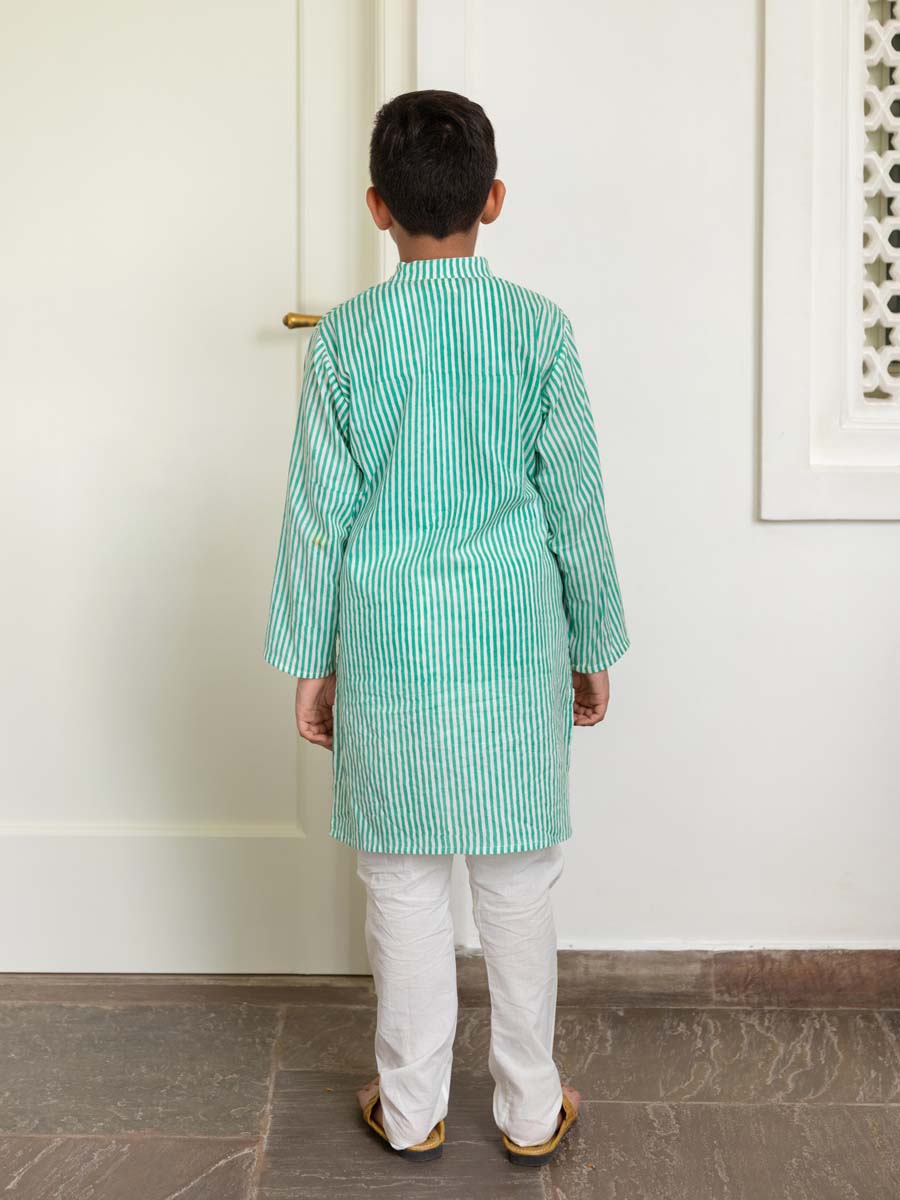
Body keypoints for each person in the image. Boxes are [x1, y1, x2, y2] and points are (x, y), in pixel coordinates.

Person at [263, 89, 630, 1166]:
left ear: (377, 206)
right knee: (518, 881)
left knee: (403, 882)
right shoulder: (539, 331)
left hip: (390, 647)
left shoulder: (347, 339)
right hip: (515, 643)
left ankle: (412, 1105)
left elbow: (317, 513)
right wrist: (591, 642)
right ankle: (530, 1109)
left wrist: (310, 658)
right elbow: (575, 503)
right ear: (495, 199)